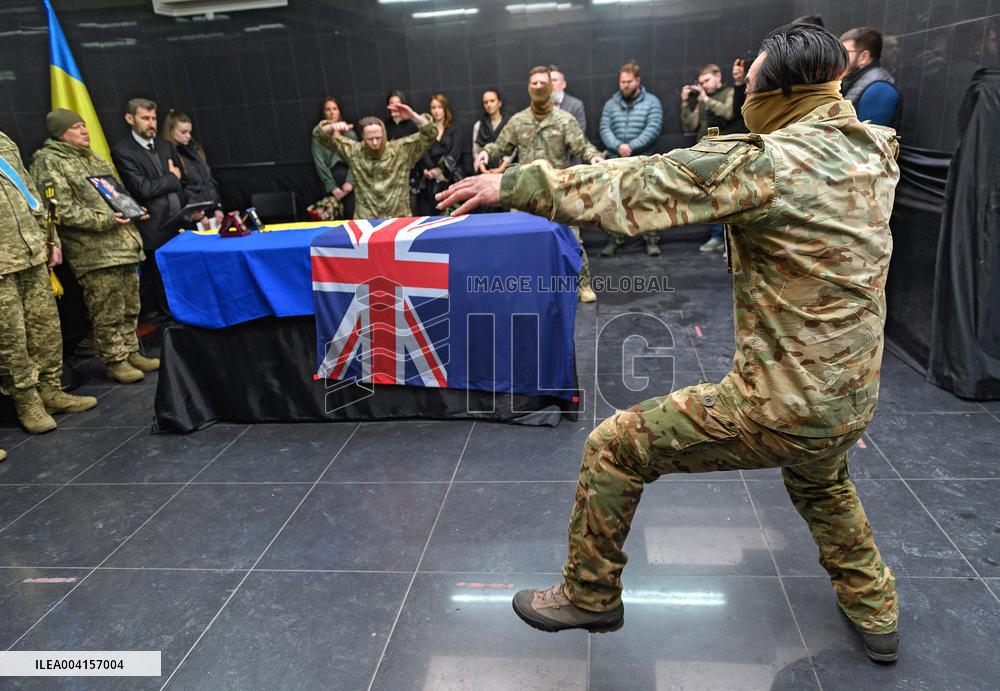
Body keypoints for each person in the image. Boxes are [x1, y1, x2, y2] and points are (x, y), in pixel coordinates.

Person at [438, 22, 901, 663]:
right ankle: (876, 613)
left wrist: (516, 186)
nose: (743, 95)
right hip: (851, 398)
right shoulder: (874, 148)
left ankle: (591, 595)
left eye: (750, 83)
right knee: (822, 483)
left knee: (614, 446)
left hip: (781, 405)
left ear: (781, 93)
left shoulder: (766, 161)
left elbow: (644, 185)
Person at [30, 109, 157, 385]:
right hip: (95, 252)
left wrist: (134, 210)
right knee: (107, 310)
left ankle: (131, 351)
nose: (84, 131)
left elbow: (117, 196)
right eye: (77, 127)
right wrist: (106, 220)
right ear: (60, 133)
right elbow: (58, 209)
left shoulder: (94, 157)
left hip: (124, 244)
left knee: (130, 305)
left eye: (85, 126)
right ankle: (115, 360)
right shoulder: (49, 162)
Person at [475, 66, 605, 303]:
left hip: (558, 191)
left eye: (541, 83)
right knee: (520, 243)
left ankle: (582, 284)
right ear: (528, 87)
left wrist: (594, 157)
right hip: (526, 193)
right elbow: (500, 146)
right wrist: (485, 153)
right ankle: (523, 286)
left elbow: (582, 147)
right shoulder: (519, 121)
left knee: (573, 241)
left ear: (551, 86)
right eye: (533, 83)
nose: (537, 86)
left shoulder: (564, 120)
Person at [0, 128, 97, 432]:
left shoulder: (4, 140)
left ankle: (51, 391)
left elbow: (30, 193)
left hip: (31, 252)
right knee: (12, 339)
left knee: (45, 329)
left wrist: (50, 239)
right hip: (4, 263)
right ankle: (27, 404)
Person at [111, 97, 185, 322]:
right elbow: (142, 189)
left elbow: (182, 182)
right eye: (145, 118)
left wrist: (173, 181)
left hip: (179, 220)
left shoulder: (165, 146)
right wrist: (171, 177)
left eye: (154, 118)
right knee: (161, 280)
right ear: (129, 119)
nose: (151, 123)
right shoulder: (124, 150)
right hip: (154, 225)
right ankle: (168, 320)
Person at [312, 100, 436, 219]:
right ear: (363, 138)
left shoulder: (400, 150)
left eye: (378, 137)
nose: (375, 142)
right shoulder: (355, 151)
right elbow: (319, 135)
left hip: (398, 219)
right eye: (370, 139)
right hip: (366, 221)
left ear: (384, 135)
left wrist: (412, 116)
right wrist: (332, 127)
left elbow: (430, 133)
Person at [598, 61, 664, 257]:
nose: (624, 85)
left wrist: (632, 146)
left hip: (642, 160)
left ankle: (651, 240)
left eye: (628, 81)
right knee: (614, 203)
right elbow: (604, 128)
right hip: (615, 159)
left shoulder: (652, 102)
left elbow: (653, 127)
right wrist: (618, 146)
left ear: (637, 81)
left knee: (646, 201)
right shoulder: (611, 104)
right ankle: (614, 239)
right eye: (622, 81)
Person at [681, 65, 742, 253]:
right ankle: (717, 237)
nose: (703, 86)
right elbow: (690, 124)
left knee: (730, 198)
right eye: (700, 83)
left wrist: (706, 100)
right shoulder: (702, 100)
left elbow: (729, 112)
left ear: (718, 76)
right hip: (705, 154)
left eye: (706, 81)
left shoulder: (730, 92)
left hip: (725, 154)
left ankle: (732, 242)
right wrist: (685, 103)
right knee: (711, 199)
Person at [161, 109, 225, 230]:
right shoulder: (168, 155)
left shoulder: (195, 150)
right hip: (193, 218)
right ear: (170, 131)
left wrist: (218, 207)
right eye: (183, 132)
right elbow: (183, 188)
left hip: (212, 214)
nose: (188, 136)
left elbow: (209, 182)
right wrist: (198, 213)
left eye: (189, 132)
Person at [840, 26, 901, 127]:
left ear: (864, 57)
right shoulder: (854, 80)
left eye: (845, 52)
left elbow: (868, 140)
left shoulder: (879, 89)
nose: (839, 58)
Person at [414, 94, 462, 216]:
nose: (436, 111)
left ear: (445, 109)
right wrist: (431, 170)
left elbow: (455, 152)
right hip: (430, 178)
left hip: (449, 178)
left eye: (439, 107)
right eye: (433, 107)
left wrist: (441, 172)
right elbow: (422, 152)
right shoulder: (426, 132)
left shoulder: (454, 129)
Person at [308, 97, 356, 221]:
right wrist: (332, 187)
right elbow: (320, 163)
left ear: (339, 111)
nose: (332, 112)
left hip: (350, 179)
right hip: (330, 180)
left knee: (353, 217)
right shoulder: (318, 138)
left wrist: (350, 182)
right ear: (323, 113)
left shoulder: (350, 134)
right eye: (328, 109)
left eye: (334, 109)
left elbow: (356, 160)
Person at [472, 89, 513, 172]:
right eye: (485, 102)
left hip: (507, 170)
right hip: (485, 170)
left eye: (492, 101)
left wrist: (501, 168)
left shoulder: (510, 123)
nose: (489, 104)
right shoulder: (478, 125)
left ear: (499, 103)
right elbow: (476, 150)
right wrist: (483, 170)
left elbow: (513, 149)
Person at [548, 65, 586, 130]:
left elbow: (580, 132)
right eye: (548, 81)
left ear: (564, 84)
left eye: (554, 80)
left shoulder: (576, 105)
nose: (551, 84)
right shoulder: (540, 105)